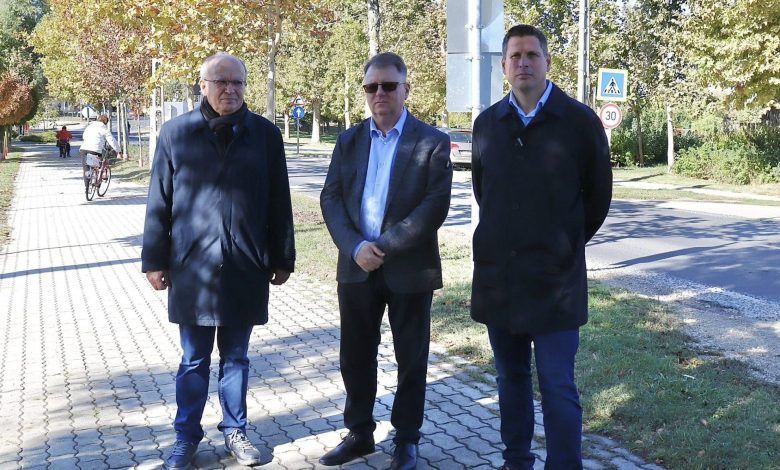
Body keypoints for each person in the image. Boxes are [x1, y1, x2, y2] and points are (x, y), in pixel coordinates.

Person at [141, 52, 296, 470]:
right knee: (193, 360)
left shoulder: (265, 135)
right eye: (221, 82)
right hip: (192, 266)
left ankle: (235, 432)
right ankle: (186, 438)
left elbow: (279, 201)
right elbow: (159, 202)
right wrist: (154, 260)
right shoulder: (176, 134)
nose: (230, 89)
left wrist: (282, 256)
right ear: (203, 85)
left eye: (237, 82)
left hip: (246, 265)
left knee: (237, 357)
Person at [470, 24, 613, 470]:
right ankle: (517, 460)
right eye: (515, 56)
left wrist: (562, 242)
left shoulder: (580, 121)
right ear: (503, 66)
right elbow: (484, 192)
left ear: (548, 62)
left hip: (556, 283)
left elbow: (598, 198)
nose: (524, 62)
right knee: (510, 379)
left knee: (557, 385)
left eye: (532, 54)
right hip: (501, 280)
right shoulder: (487, 124)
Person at [319, 52, 452, 470]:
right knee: (355, 355)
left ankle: (406, 438)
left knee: (411, 358)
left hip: (409, 269)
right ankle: (359, 433)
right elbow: (331, 198)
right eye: (371, 87)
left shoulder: (432, 142)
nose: (380, 93)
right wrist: (355, 247)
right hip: (355, 268)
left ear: (406, 89)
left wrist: (384, 247)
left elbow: (434, 207)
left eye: (389, 85)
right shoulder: (349, 140)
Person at [80, 115, 122, 185]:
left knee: (86, 168)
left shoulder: (89, 126)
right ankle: (98, 179)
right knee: (99, 164)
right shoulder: (104, 129)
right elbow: (112, 141)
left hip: (83, 149)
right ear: (105, 122)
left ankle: (86, 187)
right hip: (95, 150)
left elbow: (84, 136)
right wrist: (119, 151)